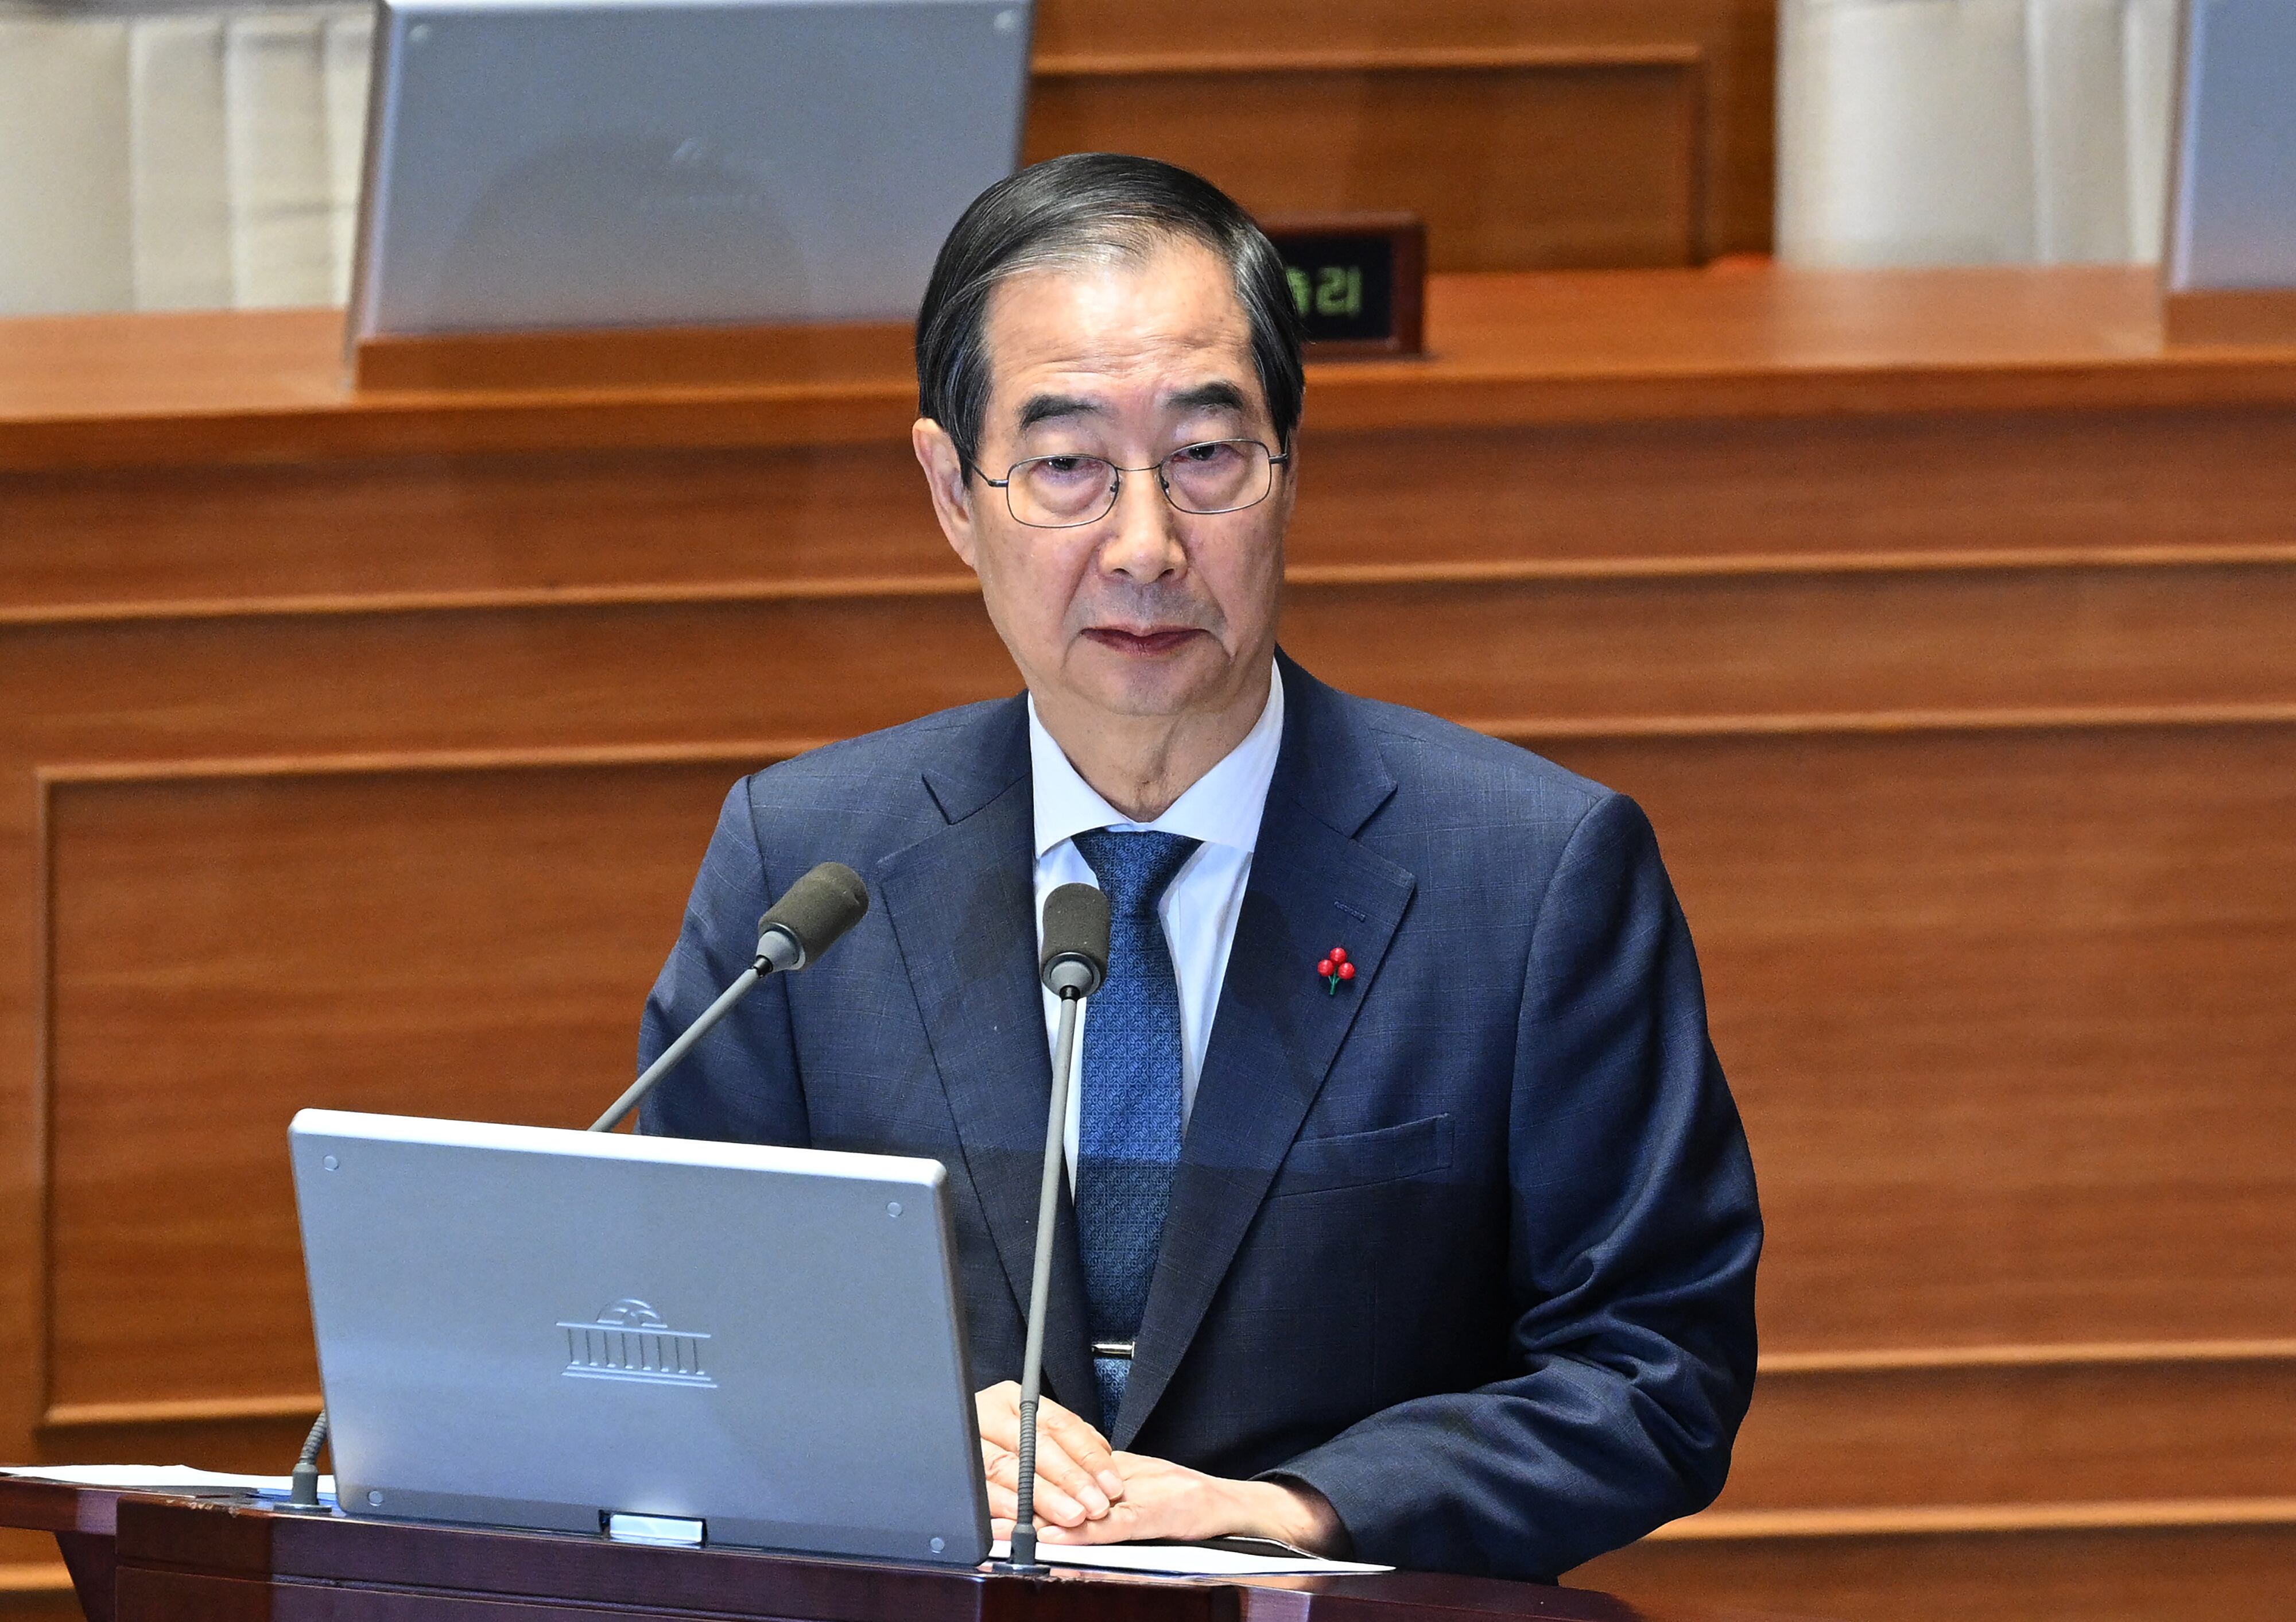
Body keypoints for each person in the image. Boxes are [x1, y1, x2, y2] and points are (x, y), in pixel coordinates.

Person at [639, 152, 1760, 1581]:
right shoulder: (806, 873)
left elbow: (1654, 1366)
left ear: (1291, 466)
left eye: (1206, 458)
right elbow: (677, 1317)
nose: (1145, 544)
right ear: (949, 492)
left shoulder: (1532, 879)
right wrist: (893, 1425)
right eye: (1064, 468)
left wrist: (1291, 1511)